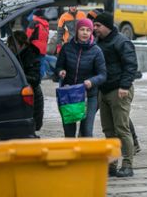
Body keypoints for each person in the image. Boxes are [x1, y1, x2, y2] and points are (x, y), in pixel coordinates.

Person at [93, 12, 137, 177]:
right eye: (94, 25)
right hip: (103, 90)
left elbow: (131, 65)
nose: (95, 28)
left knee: (121, 129)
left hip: (119, 90)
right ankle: (111, 164)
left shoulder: (122, 41)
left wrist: (124, 86)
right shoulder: (98, 41)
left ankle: (127, 165)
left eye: (98, 26)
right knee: (108, 130)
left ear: (107, 26)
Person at [55, 18, 106, 137]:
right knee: (69, 132)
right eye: (82, 29)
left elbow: (103, 74)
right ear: (77, 31)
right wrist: (60, 71)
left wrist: (91, 81)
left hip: (88, 95)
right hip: (69, 94)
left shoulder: (96, 51)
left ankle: (85, 155)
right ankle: (70, 155)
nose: (85, 33)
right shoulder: (67, 48)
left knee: (86, 131)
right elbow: (58, 67)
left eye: (88, 30)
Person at [7, 31, 45, 132]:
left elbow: (35, 79)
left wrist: (18, 75)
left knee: (31, 129)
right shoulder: (15, 55)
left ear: (22, 45)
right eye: (10, 45)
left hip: (33, 97)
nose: (11, 48)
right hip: (24, 96)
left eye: (13, 45)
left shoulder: (30, 55)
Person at [26, 9, 51, 79]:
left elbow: (28, 35)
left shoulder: (34, 23)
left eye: (33, 15)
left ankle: (37, 78)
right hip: (43, 47)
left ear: (36, 15)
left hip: (34, 47)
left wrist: (25, 43)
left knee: (34, 63)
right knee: (41, 62)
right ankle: (42, 75)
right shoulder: (45, 23)